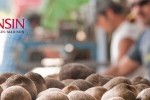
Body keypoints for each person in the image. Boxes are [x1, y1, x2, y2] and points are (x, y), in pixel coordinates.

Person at [104, 0, 150, 79]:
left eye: (143, 3)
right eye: (133, 5)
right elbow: (119, 69)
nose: (138, 10)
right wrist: (90, 80)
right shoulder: (144, 37)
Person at [96, 0, 142, 65]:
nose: (99, 26)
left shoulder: (126, 32)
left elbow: (121, 68)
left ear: (109, 13)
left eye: (98, 21)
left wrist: (100, 75)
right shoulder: (121, 31)